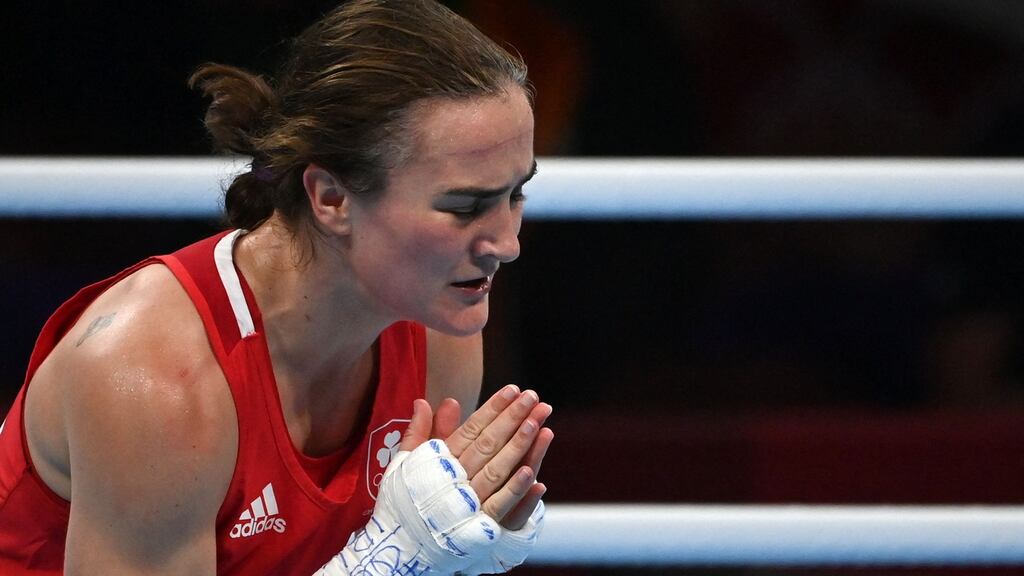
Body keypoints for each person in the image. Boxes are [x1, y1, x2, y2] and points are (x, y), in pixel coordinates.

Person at [0, 0, 553, 573]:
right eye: (464, 207)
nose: (507, 243)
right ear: (332, 199)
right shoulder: (157, 382)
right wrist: (391, 562)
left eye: (516, 194)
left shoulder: (438, 328)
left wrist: (461, 554)